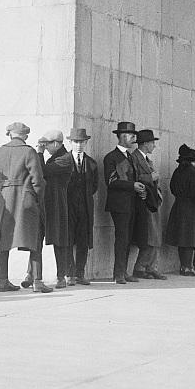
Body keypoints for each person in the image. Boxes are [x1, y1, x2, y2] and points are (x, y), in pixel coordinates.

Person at [0, 122, 51, 293]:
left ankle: (3, 280)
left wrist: (0, 191)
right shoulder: (29, 152)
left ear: (10, 134)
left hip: (4, 201)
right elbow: (38, 179)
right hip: (25, 200)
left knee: (5, 240)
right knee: (34, 238)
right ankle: (37, 281)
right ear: (24, 136)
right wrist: (36, 197)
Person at [21, 131, 73, 289]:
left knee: (59, 241)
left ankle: (61, 276)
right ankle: (31, 274)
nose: (45, 148)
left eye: (47, 144)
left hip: (57, 204)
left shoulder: (65, 158)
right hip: (44, 203)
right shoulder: (55, 157)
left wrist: (38, 153)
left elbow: (41, 171)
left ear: (56, 143)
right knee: (36, 240)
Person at [103, 121, 147, 284]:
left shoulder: (130, 156)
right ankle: (118, 273)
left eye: (134, 136)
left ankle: (124, 271)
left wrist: (140, 190)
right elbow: (111, 181)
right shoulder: (111, 157)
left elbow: (134, 178)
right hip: (119, 205)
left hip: (131, 203)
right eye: (131, 135)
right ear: (121, 137)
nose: (134, 138)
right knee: (122, 238)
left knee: (128, 238)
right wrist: (132, 186)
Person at [165, 144, 195, 275]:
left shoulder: (177, 172)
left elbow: (172, 188)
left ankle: (184, 265)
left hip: (178, 206)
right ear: (193, 161)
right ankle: (188, 267)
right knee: (189, 239)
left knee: (182, 239)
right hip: (191, 209)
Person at [131, 129, 167, 280]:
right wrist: (149, 177)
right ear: (145, 144)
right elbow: (132, 176)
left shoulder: (146, 159)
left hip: (152, 201)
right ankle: (142, 267)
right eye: (152, 143)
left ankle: (149, 266)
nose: (154, 146)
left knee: (154, 235)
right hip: (144, 201)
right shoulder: (134, 158)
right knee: (150, 236)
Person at [66, 128, 98, 285]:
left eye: (81, 142)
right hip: (68, 206)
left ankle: (80, 273)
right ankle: (70, 273)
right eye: (76, 142)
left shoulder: (91, 163)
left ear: (86, 143)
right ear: (70, 142)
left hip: (85, 207)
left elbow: (95, 186)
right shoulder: (63, 161)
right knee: (68, 239)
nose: (79, 145)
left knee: (83, 240)